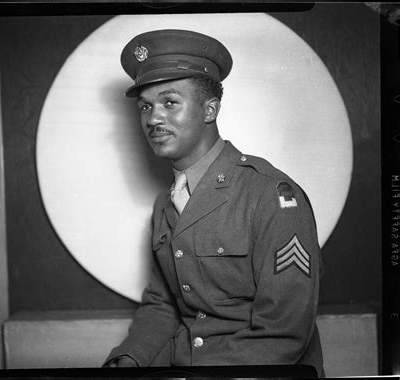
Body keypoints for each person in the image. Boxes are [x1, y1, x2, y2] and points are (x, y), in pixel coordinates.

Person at [104, 29, 324, 376]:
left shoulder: (272, 195)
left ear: (210, 109)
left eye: (170, 102)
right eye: (145, 106)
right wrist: (128, 361)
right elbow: (163, 306)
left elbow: (282, 335)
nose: (152, 118)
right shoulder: (166, 203)